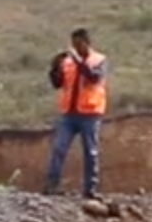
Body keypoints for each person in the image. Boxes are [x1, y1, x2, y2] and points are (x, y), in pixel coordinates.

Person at [44, 27, 107, 198]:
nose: (76, 48)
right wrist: (54, 68)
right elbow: (57, 84)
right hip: (69, 114)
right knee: (59, 149)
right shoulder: (68, 63)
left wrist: (79, 61)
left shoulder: (99, 60)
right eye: (74, 45)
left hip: (90, 114)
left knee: (91, 152)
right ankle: (52, 185)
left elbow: (94, 77)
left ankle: (90, 189)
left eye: (79, 44)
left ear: (87, 43)